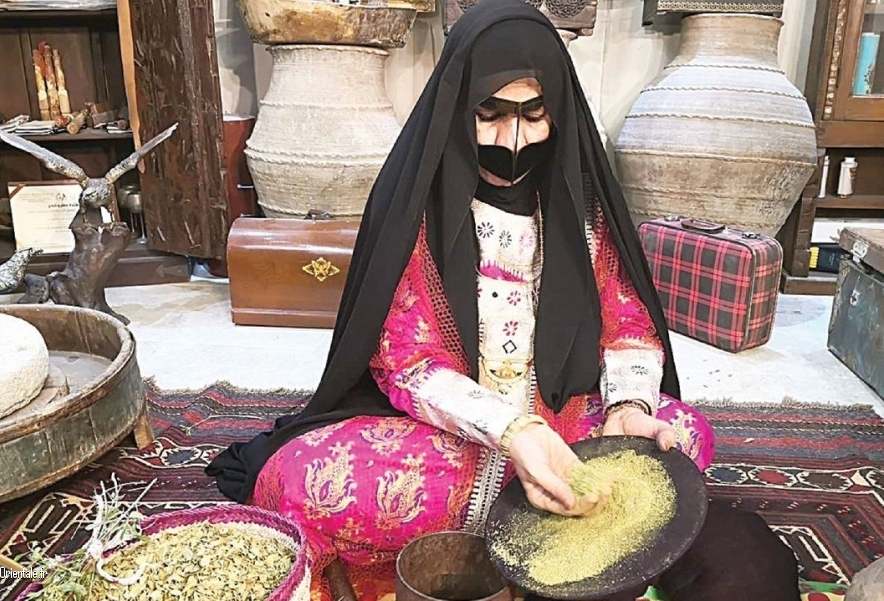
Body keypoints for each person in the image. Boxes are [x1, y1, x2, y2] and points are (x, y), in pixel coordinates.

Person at [207, 1, 801, 599]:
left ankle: (542, 520)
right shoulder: (416, 208)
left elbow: (628, 329)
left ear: (558, 112)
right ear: (457, 107)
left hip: (573, 419)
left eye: (533, 115)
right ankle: (561, 528)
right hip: (452, 434)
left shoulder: (584, 206)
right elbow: (406, 362)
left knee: (685, 434)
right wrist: (511, 430)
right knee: (304, 478)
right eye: (488, 115)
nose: (512, 140)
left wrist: (630, 410)